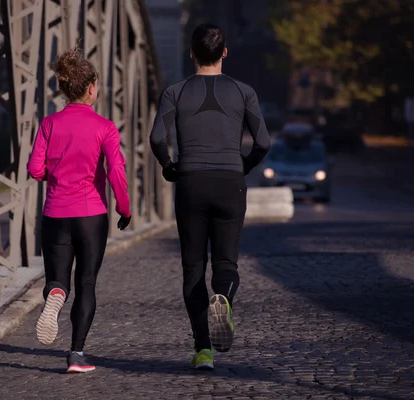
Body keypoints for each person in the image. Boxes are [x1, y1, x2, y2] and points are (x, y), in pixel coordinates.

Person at [149, 23, 270, 369]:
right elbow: (263, 142)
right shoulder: (244, 92)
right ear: (225, 53)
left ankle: (203, 350)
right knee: (226, 264)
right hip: (230, 181)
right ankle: (225, 301)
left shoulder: (175, 91)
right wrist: (243, 166)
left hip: (191, 183)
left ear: (191, 53)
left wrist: (168, 166)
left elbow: (158, 138)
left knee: (192, 270)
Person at [27, 46, 131, 373]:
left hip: (55, 214)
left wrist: (54, 174)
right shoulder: (105, 127)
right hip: (91, 215)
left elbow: (34, 169)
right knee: (86, 283)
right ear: (90, 88)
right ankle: (76, 355)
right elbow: (115, 171)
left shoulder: (49, 124)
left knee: (59, 280)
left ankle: (55, 293)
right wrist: (124, 209)